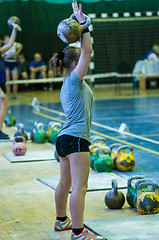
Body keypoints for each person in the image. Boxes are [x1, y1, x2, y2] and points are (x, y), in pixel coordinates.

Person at [50, 2, 105, 240]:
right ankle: (78, 233)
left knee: (64, 184)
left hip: (64, 140)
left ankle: (62, 221)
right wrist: (84, 26)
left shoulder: (67, 83)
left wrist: (78, 24)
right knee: (79, 188)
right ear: (75, 65)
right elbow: (86, 52)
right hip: (76, 139)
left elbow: (78, 51)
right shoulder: (73, 80)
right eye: (80, 62)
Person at [0, 25, 18, 139]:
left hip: (2, 82)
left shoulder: (1, 51)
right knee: (4, 104)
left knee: (3, 104)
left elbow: (10, 43)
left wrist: (14, 29)